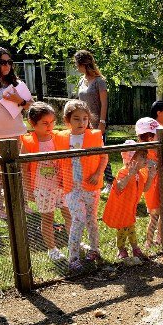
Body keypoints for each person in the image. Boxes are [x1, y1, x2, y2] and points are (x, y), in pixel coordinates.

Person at [54, 100, 108, 272]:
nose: (81, 122)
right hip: (72, 187)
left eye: (85, 119)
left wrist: (98, 174)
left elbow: (104, 157)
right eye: (76, 119)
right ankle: (74, 257)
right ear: (67, 120)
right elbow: (57, 163)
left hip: (91, 187)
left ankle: (94, 249)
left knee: (92, 220)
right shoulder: (61, 138)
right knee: (78, 219)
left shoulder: (94, 136)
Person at [0, 47, 33, 220]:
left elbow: (29, 104)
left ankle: (22, 203)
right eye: (3, 62)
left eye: (10, 62)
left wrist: (19, 100)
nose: (8, 65)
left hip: (17, 133)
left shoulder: (15, 81)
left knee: (19, 170)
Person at [20, 102, 72, 261]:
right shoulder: (28, 143)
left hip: (62, 185)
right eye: (45, 123)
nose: (50, 126)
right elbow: (24, 168)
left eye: (52, 122)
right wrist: (28, 189)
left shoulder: (59, 138)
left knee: (69, 215)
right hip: (42, 188)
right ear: (32, 123)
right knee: (47, 219)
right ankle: (52, 249)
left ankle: (74, 242)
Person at [102, 140, 156, 261]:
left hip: (130, 208)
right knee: (122, 229)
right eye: (142, 156)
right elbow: (120, 186)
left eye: (145, 156)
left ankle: (135, 248)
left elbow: (145, 189)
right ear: (132, 159)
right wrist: (130, 175)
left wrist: (151, 177)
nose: (146, 159)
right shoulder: (124, 171)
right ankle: (121, 249)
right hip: (121, 208)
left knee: (131, 228)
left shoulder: (140, 174)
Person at [73, 50, 112, 192]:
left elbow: (104, 103)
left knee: (101, 150)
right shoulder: (81, 80)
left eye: (77, 64)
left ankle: (109, 181)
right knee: (86, 151)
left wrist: (102, 121)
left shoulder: (99, 81)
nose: (76, 67)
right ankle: (88, 177)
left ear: (83, 64)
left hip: (96, 122)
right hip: (83, 122)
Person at [133, 117, 162, 248]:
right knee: (154, 216)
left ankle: (160, 238)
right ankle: (149, 242)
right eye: (157, 134)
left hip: (160, 186)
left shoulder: (157, 149)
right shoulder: (143, 153)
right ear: (150, 137)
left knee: (162, 214)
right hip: (152, 188)